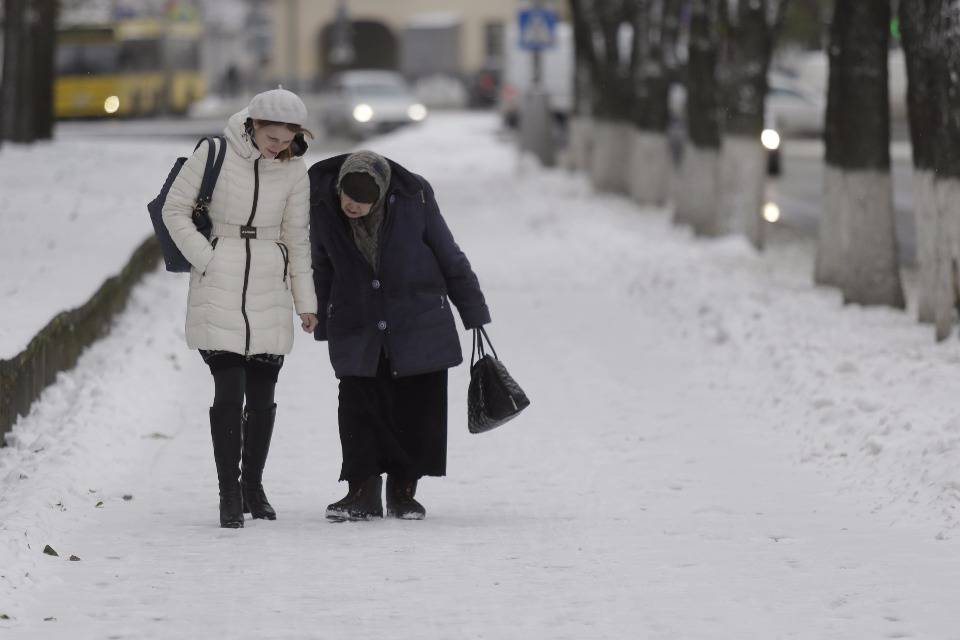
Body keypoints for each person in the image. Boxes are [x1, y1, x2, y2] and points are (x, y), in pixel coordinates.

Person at [163, 88, 319, 528]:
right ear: (253, 125)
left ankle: (253, 485)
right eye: (272, 138)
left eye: (287, 140)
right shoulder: (214, 153)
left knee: (264, 396)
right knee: (229, 391)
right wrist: (207, 257)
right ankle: (228, 493)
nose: (279, 147)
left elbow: (297, 239)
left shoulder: (294, 170)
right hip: (220, 281)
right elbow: (174, 210)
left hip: (270, 284)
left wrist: (306, 301)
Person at [308, 150, 490, 521]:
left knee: (416, 406)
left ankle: (404, 492)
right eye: (348, 197)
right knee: (357, 405)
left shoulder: (415, 197)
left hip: (417, 317)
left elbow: (448, 255)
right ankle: (361, 491)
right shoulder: (322, 204)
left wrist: (472, 311)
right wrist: (320, 316)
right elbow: (321, 264)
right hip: (357, 321)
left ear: (381, 193)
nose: (353, 206)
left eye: (363, 200)